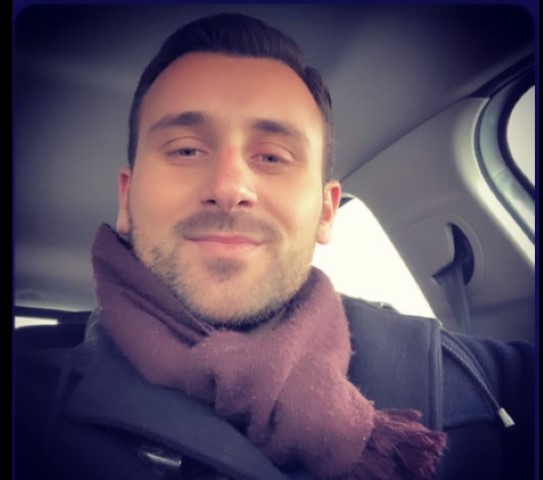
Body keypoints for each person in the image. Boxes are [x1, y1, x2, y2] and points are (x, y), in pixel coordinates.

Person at [14, 12, 534, 480]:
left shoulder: (488, 384)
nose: (229, 186)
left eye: (271, 157)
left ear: (326, 212)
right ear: (127, 199)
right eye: (186, 149)